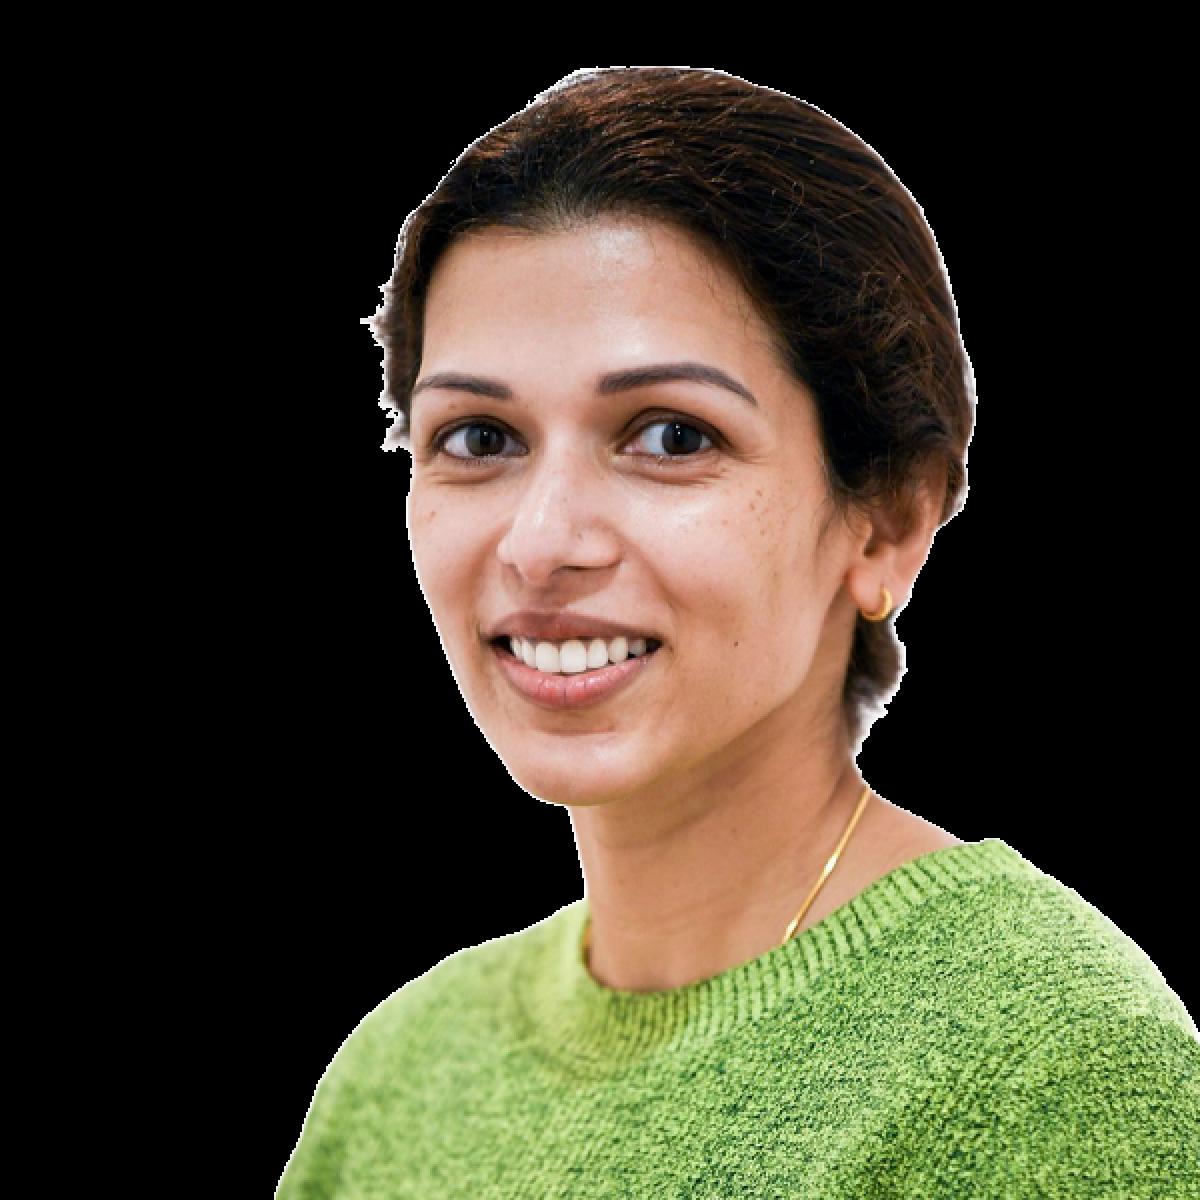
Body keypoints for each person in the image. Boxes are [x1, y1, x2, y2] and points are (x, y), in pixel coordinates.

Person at [276, 67, 1198, 1197]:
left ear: (887, 523)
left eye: (669, 435)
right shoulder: (398, 1078)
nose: (540, 541)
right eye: (478, 437)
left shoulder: (1045, 1064)